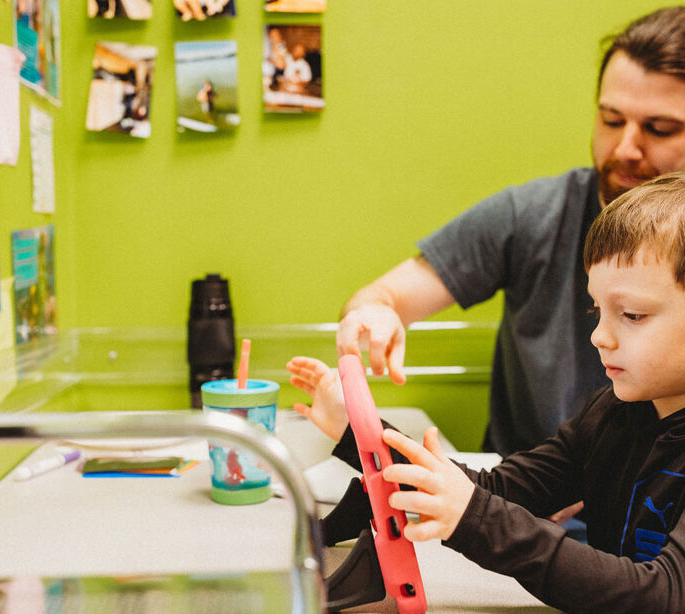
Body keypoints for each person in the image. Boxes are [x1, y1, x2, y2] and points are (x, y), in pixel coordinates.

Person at [289, 172, 685, 611]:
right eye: (596, 309)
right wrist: (358, 429)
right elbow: (498, 489)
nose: (599, 336)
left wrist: (475, 517)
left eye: (631, 314)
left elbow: (661, 596)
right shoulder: (612, 413)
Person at [335, 6, 685, 458]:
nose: (625, 148)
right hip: (520, 503)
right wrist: (374, 313)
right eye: (611, 120)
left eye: (659, 129)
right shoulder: (532, 214)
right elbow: (382, 297)